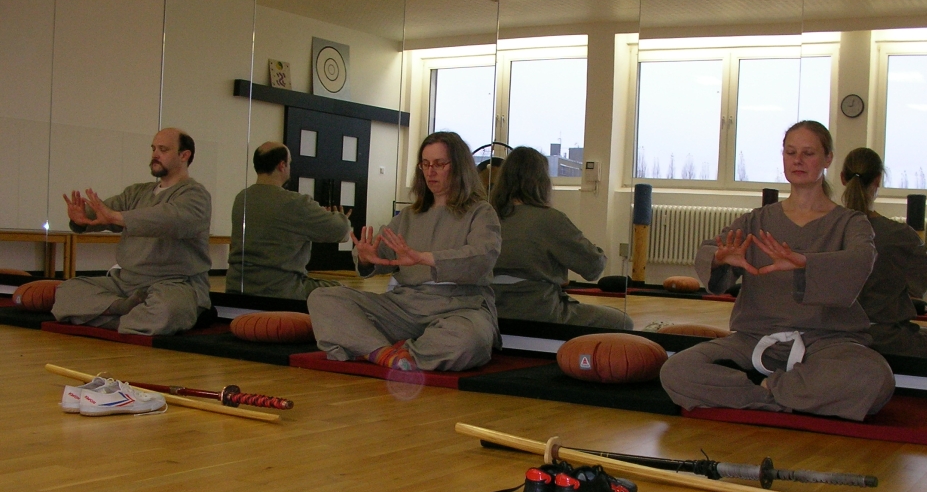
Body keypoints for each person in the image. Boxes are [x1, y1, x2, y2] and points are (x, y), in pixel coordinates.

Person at [660, 121, 895, 421]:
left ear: (828, 159)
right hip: (755, 339)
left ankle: (769, 390)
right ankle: (774, 396)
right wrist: (720, 258)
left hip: (826, 343)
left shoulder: (850, 223)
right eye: (790, 152)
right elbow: (709, 250)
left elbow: (862, 259)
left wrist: (806, 263)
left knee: (874, 377)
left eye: (808, 153)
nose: (797, 160)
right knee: (677, 370)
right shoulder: (756, 220)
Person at [307, 131, 501, 372]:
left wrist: (424, 258)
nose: (431, 171)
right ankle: (386, 353)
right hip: (404, 306)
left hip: (461, 306)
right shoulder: (409, 215)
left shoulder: (481, 212)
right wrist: (367, 259)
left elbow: (482, 259)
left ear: (459, 167)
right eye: (425, 164)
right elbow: (380, 255)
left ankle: (384, 349)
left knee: (469, 341)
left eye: (440, 164)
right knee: (324, 298)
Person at [52, 127, 212, 335]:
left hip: (173, 283)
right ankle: (123, 311)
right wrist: (83, 218)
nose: (155, 154)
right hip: (127, 283)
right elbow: (105, 212)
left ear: (184, 155)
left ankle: (109, 318)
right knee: (67, 292)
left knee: (167, 310)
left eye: (163, 149)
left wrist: (120, 217)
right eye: (153, 148)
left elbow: (169, 219)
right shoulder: (137, 192)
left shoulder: (195, 195)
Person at [490, 147, 633, 329]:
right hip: (538, 311)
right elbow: (594, 267)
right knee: (622, 321)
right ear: (541, 182)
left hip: (490, 311)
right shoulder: (549, 219)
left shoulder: (487, 216)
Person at [840, 147, 927, 360]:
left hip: (834, 336)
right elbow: (922, 280)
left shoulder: (825, 229)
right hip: (883, 339)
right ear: (878, 180)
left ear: (842, 179)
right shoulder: (900, 235)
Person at [226, 142, 352, 299]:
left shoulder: (241, 198)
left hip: (237, 288)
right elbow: (342, 231)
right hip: (280, 291)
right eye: (290, 163)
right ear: (282, 165)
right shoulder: (294, 202)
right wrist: (340, 218)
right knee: (342, 290)